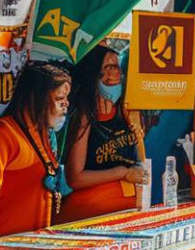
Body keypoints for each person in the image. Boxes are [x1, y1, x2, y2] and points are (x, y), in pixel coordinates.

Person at [0, 62, 72, 241]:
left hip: (35, 249)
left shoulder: (42, 133)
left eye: (66, 99)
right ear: (36, 98)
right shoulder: (1, 135)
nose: (65, 105)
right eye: (60, 98)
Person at [60, 46, 147, 221]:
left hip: (127, 210)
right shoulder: (85, 116)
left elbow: (141, 162)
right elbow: (75, 178)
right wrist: (122, 173)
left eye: (117, 67)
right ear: (95, 75)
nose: (114, 75)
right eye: (108, 68)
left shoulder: (126, 111)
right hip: (89, 213)